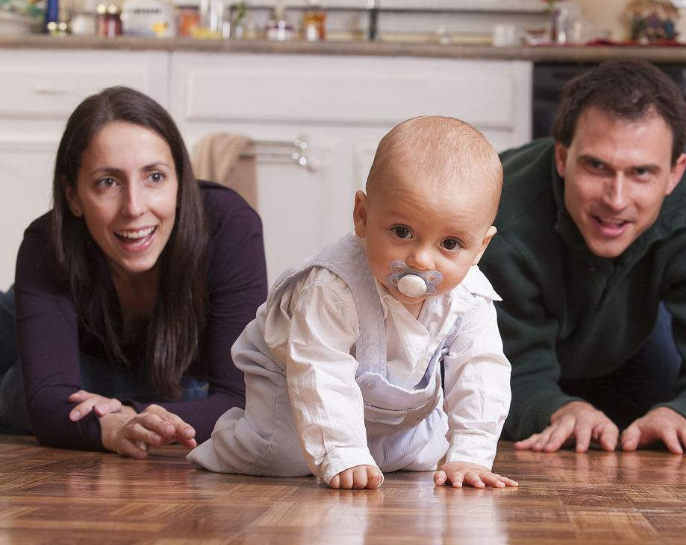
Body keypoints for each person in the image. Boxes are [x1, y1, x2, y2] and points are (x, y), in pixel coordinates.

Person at [187, 116, 517, 490]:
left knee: (422, 456)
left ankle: (364, 448)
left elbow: (481, 373)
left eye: (451, 244)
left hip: (391, 407)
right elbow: (320, 369)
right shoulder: (332, 287)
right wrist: (342, 451)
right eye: (402, 232)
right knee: (283, 454)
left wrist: (471, 455)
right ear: (362, 216)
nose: (422, 260)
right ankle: (231, 442)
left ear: (480, 248)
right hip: (293, 382)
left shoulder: (470, 298)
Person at [479, 60, 686, 456]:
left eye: (641, 172)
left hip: (632, 341)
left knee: (658, 405)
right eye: (596, 166)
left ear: (675, 173)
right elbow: (492, 377)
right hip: (516, 352)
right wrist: (558, 411)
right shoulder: (500, 217)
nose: (616, 199)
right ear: (562, 157)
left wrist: (683, 415)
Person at [0, 86, 267, 459]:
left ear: (180, 182)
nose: (134, 207)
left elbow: (239, 400)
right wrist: (110, 425)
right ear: (73, 196)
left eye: (155, 177)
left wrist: (128, 417)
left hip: (125, 375)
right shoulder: (47, 243)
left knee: (18, 390)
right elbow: (47, 403)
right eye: (108, 182)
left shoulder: (228, 225)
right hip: (47, 308)